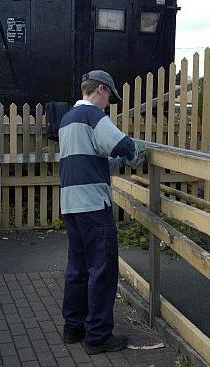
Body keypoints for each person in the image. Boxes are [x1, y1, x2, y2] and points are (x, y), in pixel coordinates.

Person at [58, 70, 145, 354]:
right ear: (101, 90)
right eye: (109, 96)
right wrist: (135, 151)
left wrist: (115, 162)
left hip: (71, 204)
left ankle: (73, 328)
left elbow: (92, 162)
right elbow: (123, 145)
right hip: (94, 207)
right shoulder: (93, 116)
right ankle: (97, 337)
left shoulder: (67, 120)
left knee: (78, 269)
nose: (108, 103)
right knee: (102, 271)